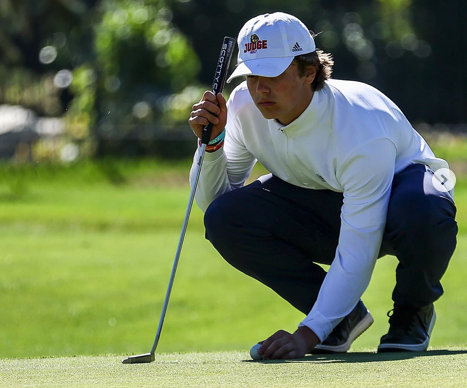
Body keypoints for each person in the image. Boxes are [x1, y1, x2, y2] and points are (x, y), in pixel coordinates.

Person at [188, 12, 458, 360]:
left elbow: (358, 245)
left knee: (425, 209)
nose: (260, 88)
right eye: (252, 75)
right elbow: (214, 204)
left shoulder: (358, 127)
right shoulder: (242, 105)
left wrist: (308, 333)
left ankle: (412, 312)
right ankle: (342, 318)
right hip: (325, 196)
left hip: (401, 198)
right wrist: (211, 145)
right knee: (225, 218)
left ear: (309, 72)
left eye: (272, 74)